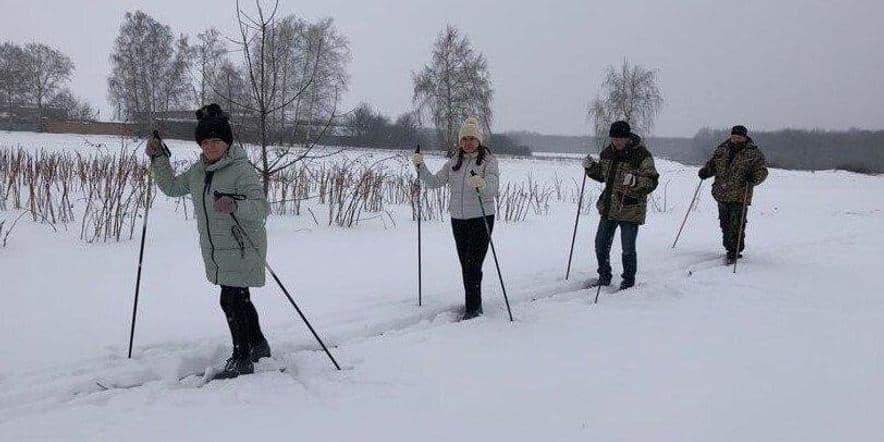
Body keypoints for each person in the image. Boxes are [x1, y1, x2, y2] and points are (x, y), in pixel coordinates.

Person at [145, 103, 271, 380]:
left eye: (216, 141)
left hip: (241, 246)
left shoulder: (241, 170)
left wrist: (235, 205)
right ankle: (258, 345)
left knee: (231, 300)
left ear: (226, 142)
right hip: (217, 249)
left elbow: (261, 208)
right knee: (240, 299)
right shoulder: (198, 171)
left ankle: (242, 359)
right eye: (205, 141)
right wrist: (159, 159)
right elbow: (172, 187)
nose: (211, 146)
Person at [413, 117, 500, 320]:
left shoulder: (489, 161)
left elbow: (493, 189)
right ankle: (472, 303)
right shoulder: (454, 162)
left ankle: (473, 309)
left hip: (482, 217)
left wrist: (481, 184)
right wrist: (420, 167)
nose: (468, 143)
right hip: (458, 219)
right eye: (465, 139)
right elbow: (434, 182)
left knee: (473, 264)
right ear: (460, 141)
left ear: (479, 141)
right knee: (465, 264)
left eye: (472, 139)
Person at [583, 121, 659, 290]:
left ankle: (628, 281)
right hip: (609, 207)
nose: (616, 142)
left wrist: (635, 181)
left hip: (630, 209)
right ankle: (604, 276)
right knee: (600, 244)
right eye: (614, 138)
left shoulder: (641, 155)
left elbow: (652, 181)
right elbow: (602, 175)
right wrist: (590, 168)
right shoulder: (607, 153)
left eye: (620, 139)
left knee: (628, 249)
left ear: (627, 138)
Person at [698, 125, 768, 264]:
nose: (735, 139)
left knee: (737, 224)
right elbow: (713, 165)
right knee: (725, 224)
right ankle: (729, 247)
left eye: (739, 137)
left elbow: (763, 171)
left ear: (744, 137)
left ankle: (734, 251)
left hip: (740, 195)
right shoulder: (722, 149)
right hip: (721, 193)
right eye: (733, 136)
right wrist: (706, 171)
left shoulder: (753, 153)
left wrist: (753, 177)